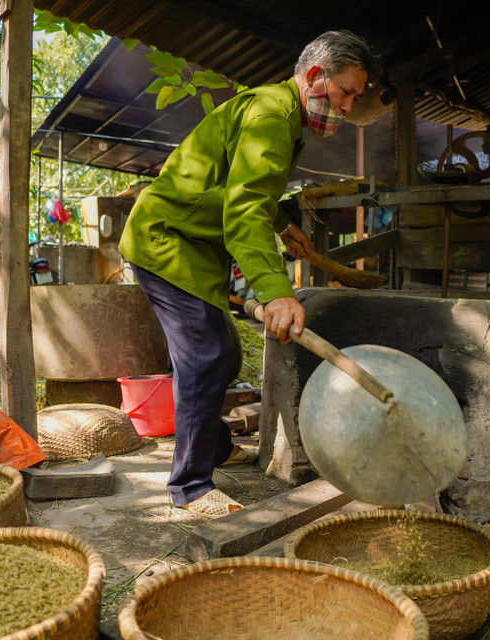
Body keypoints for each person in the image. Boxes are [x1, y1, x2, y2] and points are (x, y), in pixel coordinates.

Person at [119, 30, 380, 518]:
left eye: (355, 99)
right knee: (208, 352)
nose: (347, 108)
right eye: (346, 92)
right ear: (315, 75)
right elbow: (244, 212)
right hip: (168, 240)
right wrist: (278, 292)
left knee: (218, 352)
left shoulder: (279, 114)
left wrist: (282, 222)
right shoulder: (271, 117)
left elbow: (241, 191)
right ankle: (190, 487)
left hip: (188, 241)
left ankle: (212, 448)